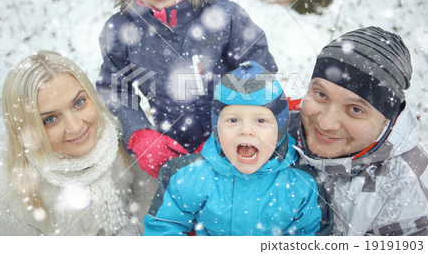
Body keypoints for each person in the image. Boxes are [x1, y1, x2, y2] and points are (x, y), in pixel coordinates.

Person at [96, 0, 278, 166]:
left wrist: (229, 130)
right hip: (171, 152)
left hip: (236, 151)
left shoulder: (224, 16)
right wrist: (139, 134)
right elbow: (113, 87)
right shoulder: (123, 31)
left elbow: (258, 71)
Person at [142, 61, 332, 235]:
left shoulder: (302, 184)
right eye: (233, 120)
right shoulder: (189, 175)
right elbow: (164, 228)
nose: (246, 130)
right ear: (217, 128)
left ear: (280, 129)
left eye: (261, 120)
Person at [0, 51, 156, 236]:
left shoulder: (118, 135)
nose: (75, 127)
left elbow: (150, 199)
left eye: (79, 103)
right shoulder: (8, 203)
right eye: (50, 120)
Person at [289, 26, 428, 236]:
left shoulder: (409, 193)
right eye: (321, 94)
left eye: (355, 109)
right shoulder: (271, 126)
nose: (326, 123)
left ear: (387, 119)